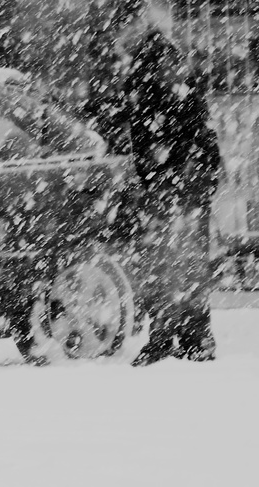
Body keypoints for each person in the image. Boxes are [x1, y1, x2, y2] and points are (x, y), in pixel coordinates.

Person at [110, 0, 223, 364]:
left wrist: (168, 173)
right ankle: (189, 337)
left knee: (172, 255)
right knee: (176, 255)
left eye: (120, 30)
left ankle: (176, 337)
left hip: (179, 176)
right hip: (179, 174)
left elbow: (181, 117)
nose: (116, 40)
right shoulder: (152, 57)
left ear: (137, 23)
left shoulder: (157, 58)